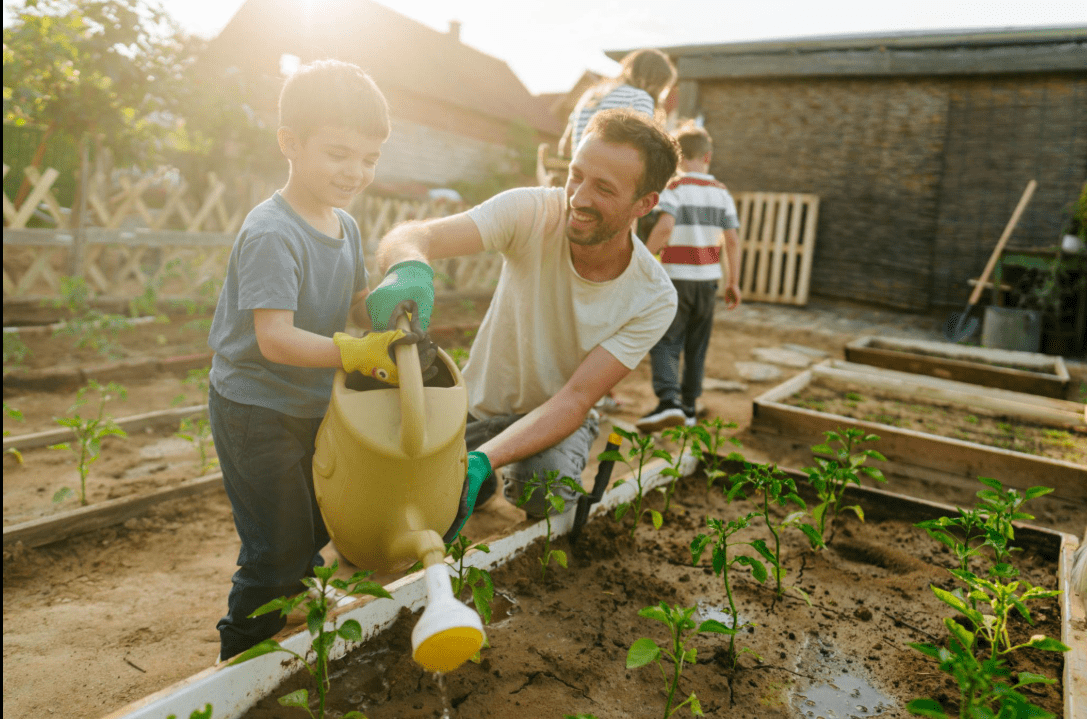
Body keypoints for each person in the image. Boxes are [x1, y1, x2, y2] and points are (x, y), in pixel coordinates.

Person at [365, 109, 680, 534]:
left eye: (603, 188)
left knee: (542, 485)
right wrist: (409, 268)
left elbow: (575, 399)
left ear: (644, 204)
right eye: (576, 175)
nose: (579, 197)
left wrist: (483, 459)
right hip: (476, 407)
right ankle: (485, 477)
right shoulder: (532, 212)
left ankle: (493, 469)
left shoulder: (653, 296)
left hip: (555, 421)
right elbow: (413, 236)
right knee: (398, 505)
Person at [206, 60, 427, 661]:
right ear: (290, 143)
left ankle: (300, 594)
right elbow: (275, 338)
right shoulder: (271, 232)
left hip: (313, 403)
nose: (355, 172)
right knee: (275, 546)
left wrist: (384, 308)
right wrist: (355, 352)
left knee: (322, 519)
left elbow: (354, 305)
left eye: (369, 159)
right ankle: (239, 654)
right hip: (257, 407)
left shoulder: (347, 226)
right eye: (338, 154)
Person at [637, 122, 742, 432]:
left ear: (678, 157)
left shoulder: (676, 188)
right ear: (707, 157)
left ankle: (668, 402)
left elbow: (666, 227)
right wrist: (733, 281)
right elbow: (732, 240)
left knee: (666, 339)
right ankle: (690, 407)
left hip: (675, 280)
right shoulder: (722, 193)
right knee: (698, 344)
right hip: (708, 282)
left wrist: (640, 259)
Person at [558, 49, 677, 158]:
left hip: (581, 171)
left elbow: (564, 147)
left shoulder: (591, 95)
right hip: (612, 175)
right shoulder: (640, 98)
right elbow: (643, 147)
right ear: (655, 83)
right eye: (664, 89)